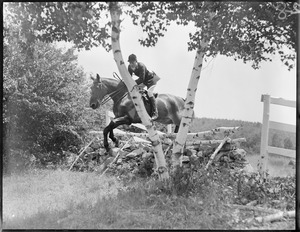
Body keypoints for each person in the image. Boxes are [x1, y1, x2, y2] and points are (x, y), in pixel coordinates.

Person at [127, 54, 160, 120]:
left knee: (149, 93)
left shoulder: (141, 66)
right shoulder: (129, 67)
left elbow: (141, 79)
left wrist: (132, 83)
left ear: (136, 61)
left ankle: (155, 113)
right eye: (130, 62)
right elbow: (129, 77)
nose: (131, 64)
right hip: (145, 81)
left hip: (152, 79)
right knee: (134, 90)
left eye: (133, 62)